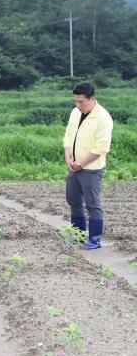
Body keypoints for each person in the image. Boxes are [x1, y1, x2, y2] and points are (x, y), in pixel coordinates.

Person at [63, 82, 113, 250]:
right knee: (74, 201)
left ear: (92, 99)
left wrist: (80, 163)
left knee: (92, 204)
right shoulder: (75, 113)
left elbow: (101, 148)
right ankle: (77, 236)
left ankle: (94, 240)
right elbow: (68, 136)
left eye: (81, 102)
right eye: (75, 101)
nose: (78, 105)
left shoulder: (103, 118)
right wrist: (68, 157)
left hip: (91, 169)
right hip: (74, 166)